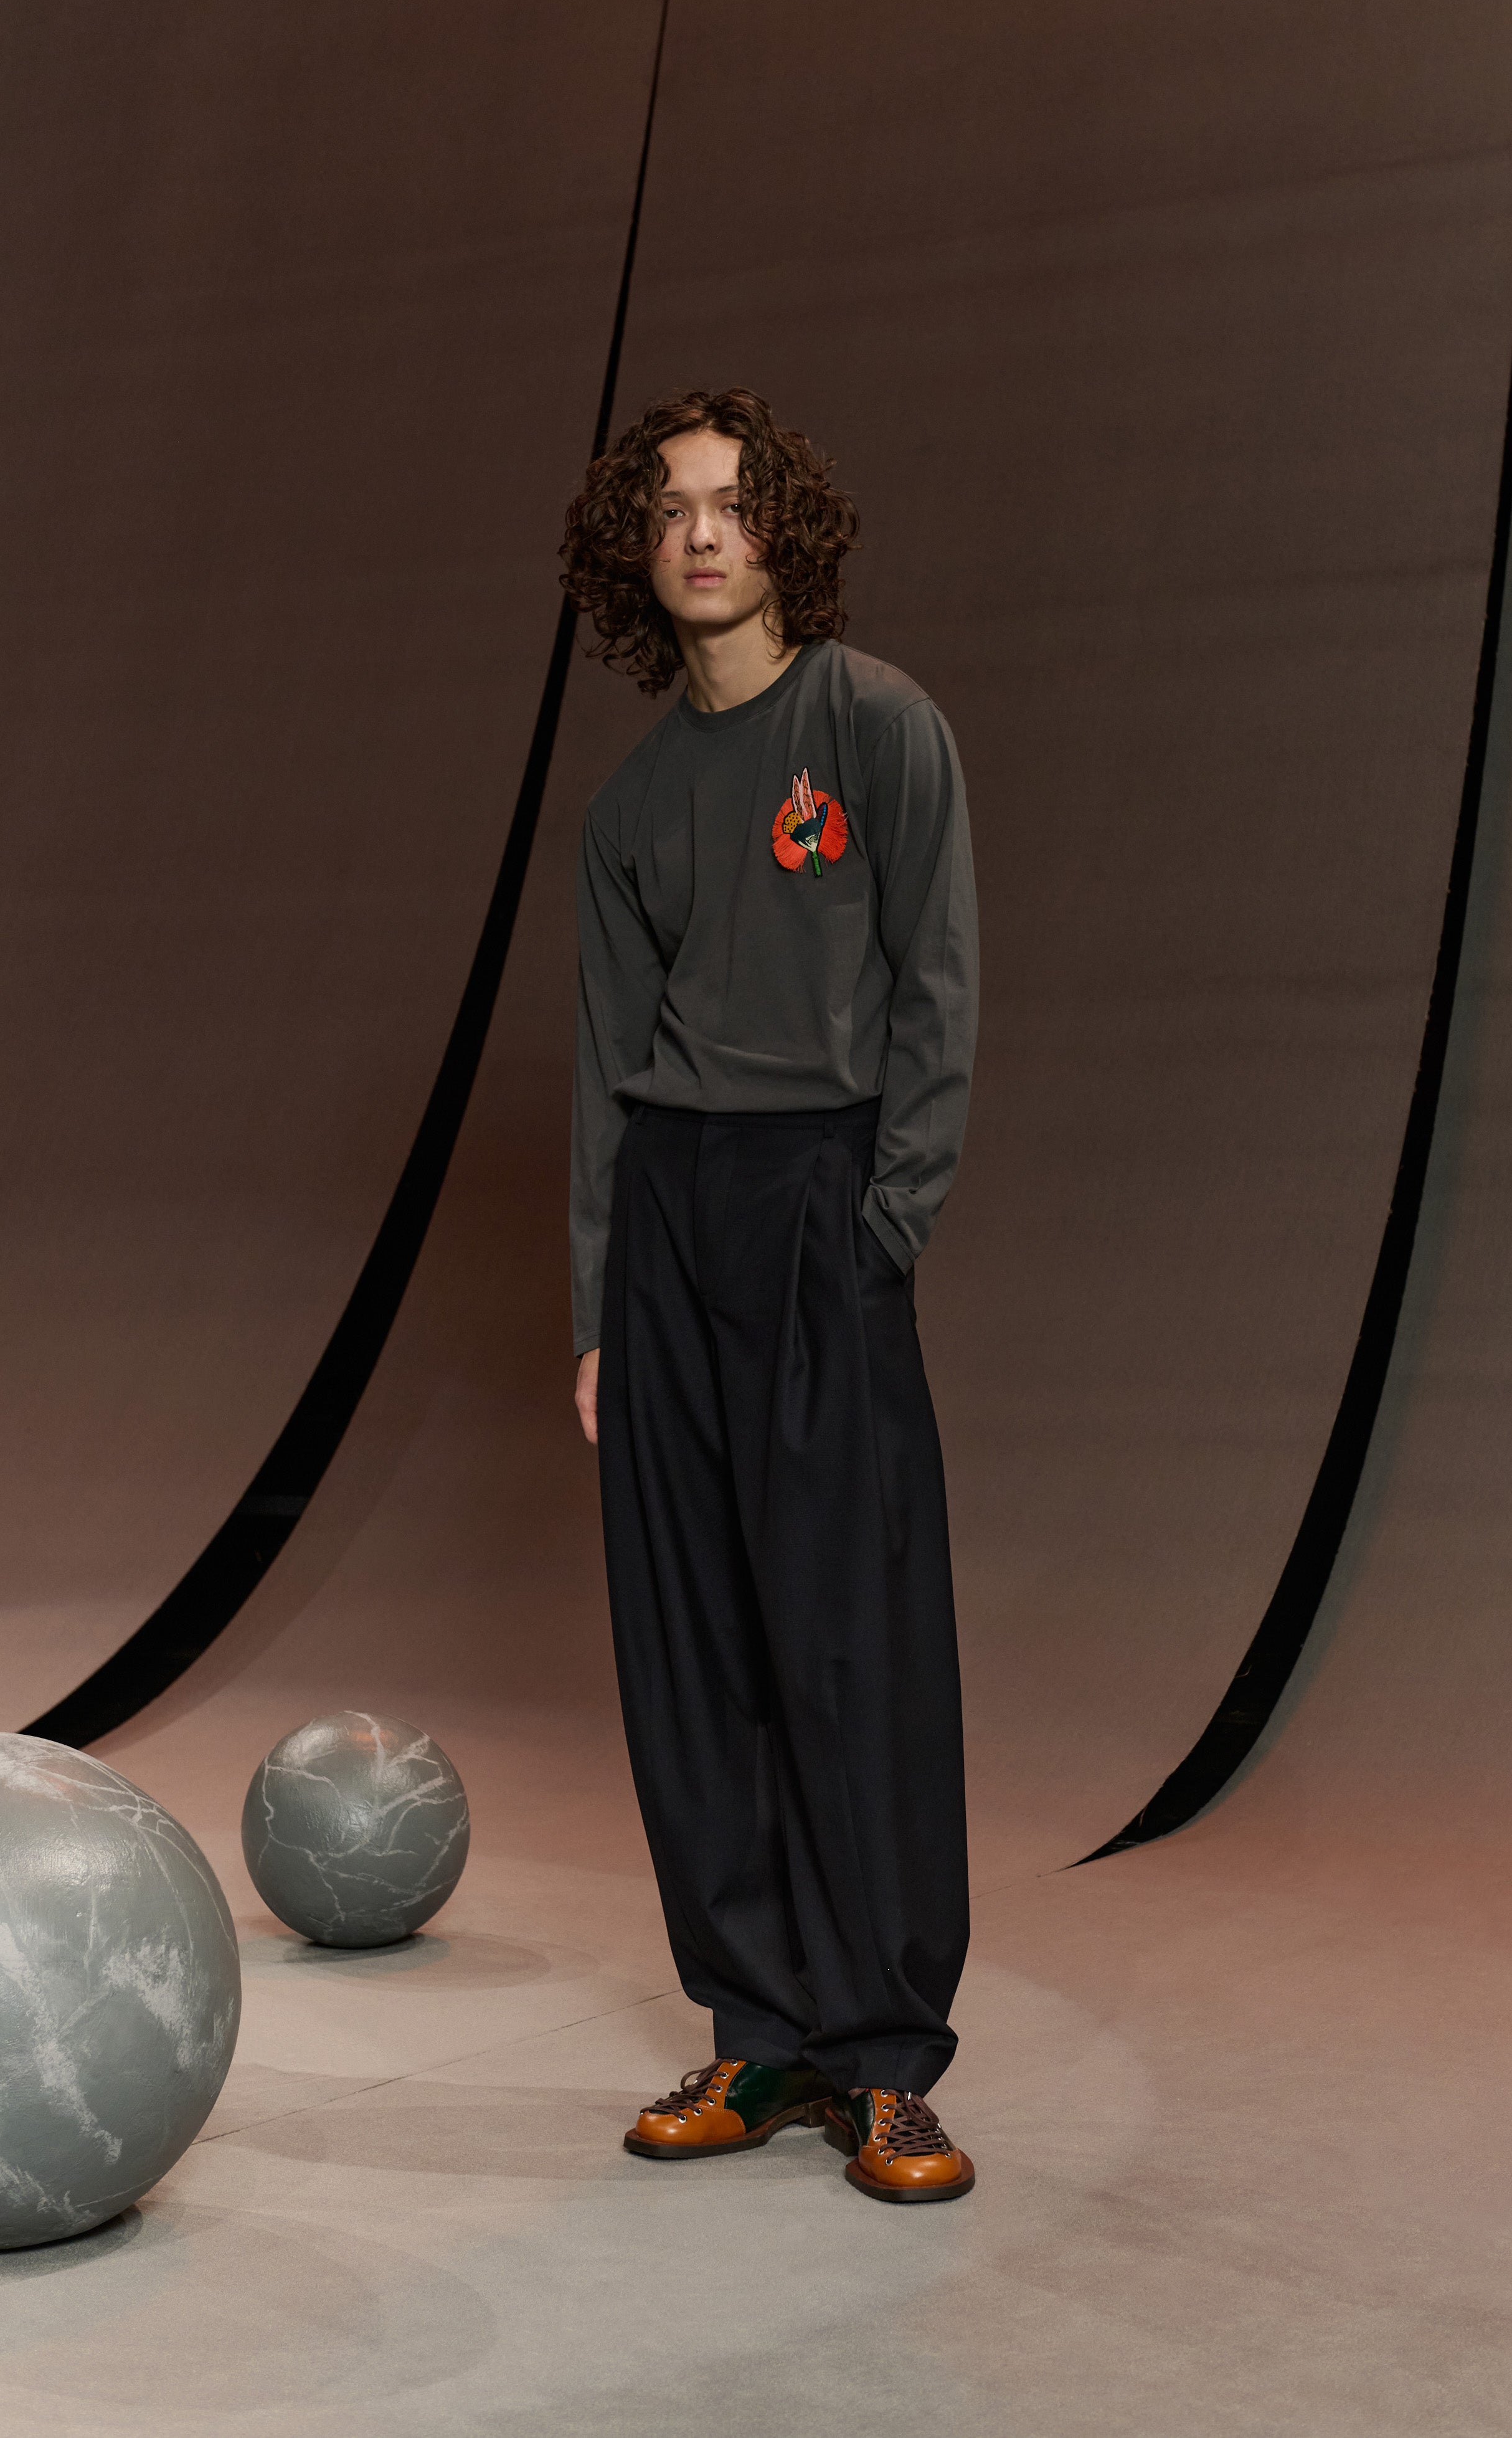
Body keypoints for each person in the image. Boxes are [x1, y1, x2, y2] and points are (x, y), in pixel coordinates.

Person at [562, 388, 978, 2204]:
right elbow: (603, 1073)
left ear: (781, 529)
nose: (702, 532)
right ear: (635, 553)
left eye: (730, 502)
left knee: (846, 1633)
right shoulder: (630, 806)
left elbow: (936, 982)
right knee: (697, 1639)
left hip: (822, 1202)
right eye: (669, 509)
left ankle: (885, 2057)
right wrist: (600, 1311)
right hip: (669, 1214)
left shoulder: (874, 724)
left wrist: (886, 1222)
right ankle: (759, 2029)